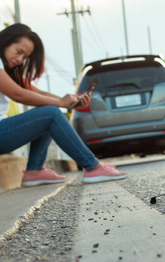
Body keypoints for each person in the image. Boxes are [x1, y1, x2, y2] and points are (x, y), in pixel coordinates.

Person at [0, 23, 128, 187]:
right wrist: (61, 104)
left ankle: (35, 171)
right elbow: (18, 94)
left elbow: (39, 94)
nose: (20, 60)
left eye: (24, 57)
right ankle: (92, 166)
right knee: (50, 113)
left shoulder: (6, 70)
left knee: (48, 111)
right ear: (6, 41)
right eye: (19, 52)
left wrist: (70, 103)